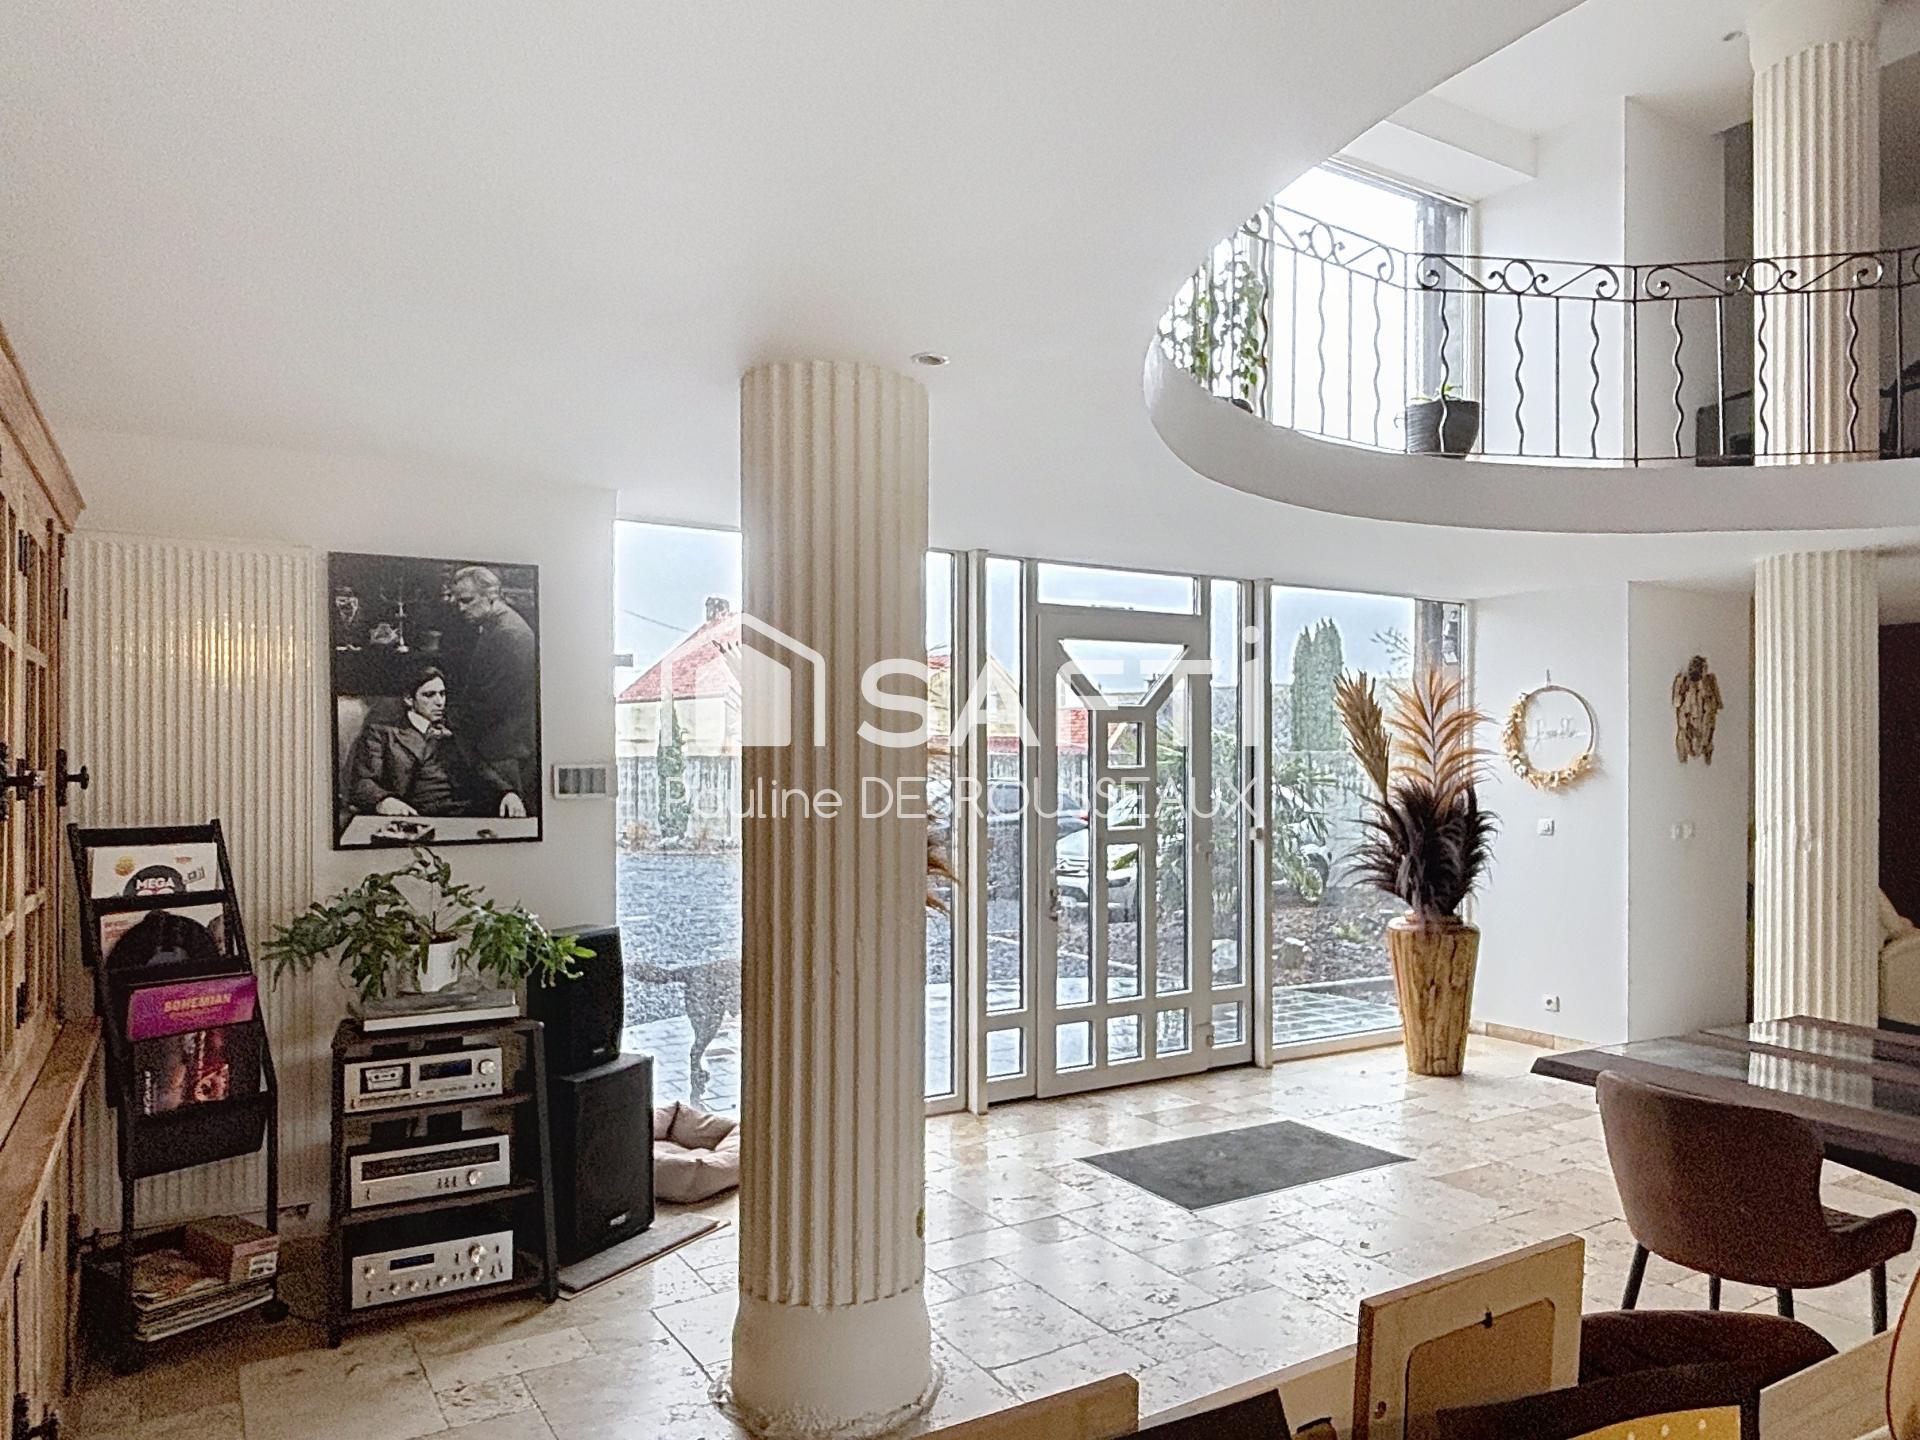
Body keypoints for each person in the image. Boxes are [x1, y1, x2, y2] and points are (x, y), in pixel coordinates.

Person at [447, 565, 537, 818]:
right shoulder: (497, 626)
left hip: (504, 752)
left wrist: (453, 722)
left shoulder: (508, 634)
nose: (461, 608)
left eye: (467, 600)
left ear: (491, 595)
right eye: (458, 601)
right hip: (503, 747)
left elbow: (492, 702)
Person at [344, 666, 471, 817]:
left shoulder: (454, 731)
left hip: (461, 812)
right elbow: (362, 783)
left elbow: (478, 773)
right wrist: (385, 800)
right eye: (429, 695)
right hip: (413, 815)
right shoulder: (382, 733)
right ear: (409, 699)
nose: (439, 702)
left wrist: (503, 793)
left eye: (442, 694)